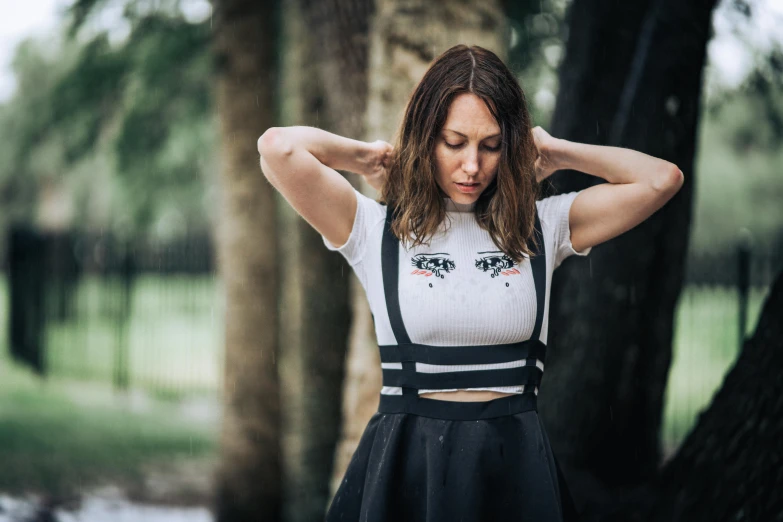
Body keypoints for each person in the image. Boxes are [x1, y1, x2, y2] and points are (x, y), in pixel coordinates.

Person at [257, 44, 683, 522]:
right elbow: (278, 148)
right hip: (405, 469)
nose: (472, 166)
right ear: (426, 139)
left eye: (492, 144)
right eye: (453, 142)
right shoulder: (372, 229)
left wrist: (556, 153)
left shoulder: (543, 226)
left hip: (515, 469)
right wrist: (365, 158)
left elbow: (661, 180)